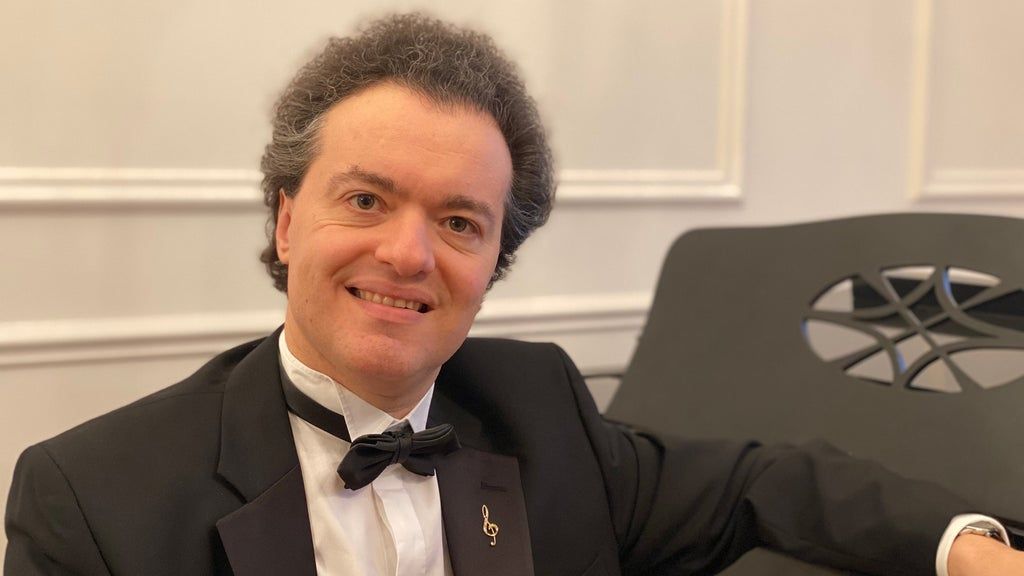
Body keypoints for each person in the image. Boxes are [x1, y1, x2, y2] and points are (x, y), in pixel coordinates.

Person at [4, 13, 1021, 576]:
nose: (409, 253)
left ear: (494, 263)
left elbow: (763, 481)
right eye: (366, 199)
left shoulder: (539, 409)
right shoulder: (91, 500)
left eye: (459, 222)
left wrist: (969, 548)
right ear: (285, 220)